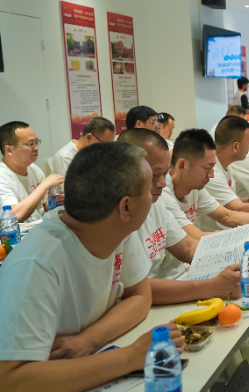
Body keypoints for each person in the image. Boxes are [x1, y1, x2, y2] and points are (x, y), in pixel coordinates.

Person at [0, 142, 179, 392]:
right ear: (126, 207)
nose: (159, 190)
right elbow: (9, 380)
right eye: (149, 189)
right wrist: (130, 357)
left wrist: (88, 340)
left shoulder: (116, 230)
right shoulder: (35, 265)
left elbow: (140, 295)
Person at [117, 129, 245, 304]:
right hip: (156, 300)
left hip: (177, 284)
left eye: (164, 174)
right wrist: (211, 286)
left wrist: (242, 252)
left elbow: (188, 248)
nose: (163, 183)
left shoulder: (157, 201)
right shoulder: (118, 218)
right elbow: (137, 289)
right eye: (154, 175)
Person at [159, 128, 249, 238]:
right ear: (182, 165)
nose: (211, 175)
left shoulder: (195, 187)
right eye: (207, 168)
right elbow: (194, 238)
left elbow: (227, 216)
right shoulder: (163, 194)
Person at [0, 121, 63, 223]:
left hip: (40, 227)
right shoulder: (2, 176)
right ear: (9, 150)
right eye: (30, 144)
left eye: (36, 142)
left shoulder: (34, 169)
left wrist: (57, 199)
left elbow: (45, 206)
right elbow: (12, 217)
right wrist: (44, 185)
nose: (36, 148)